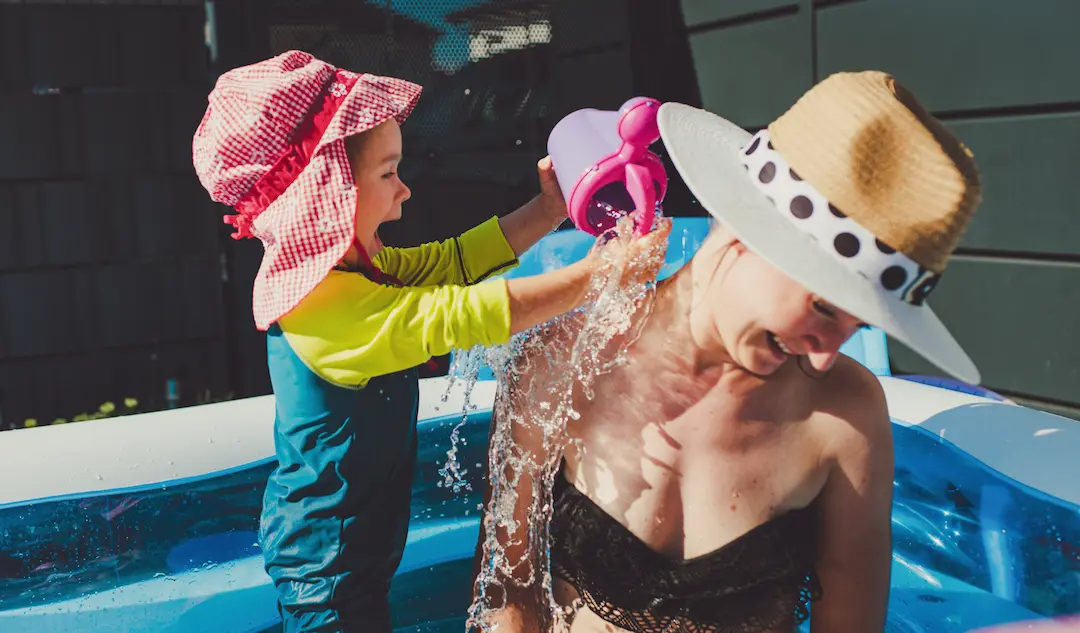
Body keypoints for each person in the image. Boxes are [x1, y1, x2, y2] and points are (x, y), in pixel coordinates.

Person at [473, 70, 984, 633]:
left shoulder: (846, 416)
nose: (824, 357)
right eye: (824, 307)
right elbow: (509, 587)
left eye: (855, 323)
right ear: (751, 227)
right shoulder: (560, 363)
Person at [191, 50, 670, 633]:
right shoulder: (323, 309)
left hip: (347, 553)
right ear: (330, 193)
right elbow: (462, 313)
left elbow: (453, 263)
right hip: (324, 573)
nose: (406, 191)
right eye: (389, 173)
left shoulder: (360, 271)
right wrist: (598, 276)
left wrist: (546, 211)